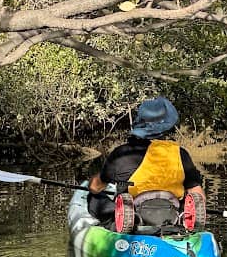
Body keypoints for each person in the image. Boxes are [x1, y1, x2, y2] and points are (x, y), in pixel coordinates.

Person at [87, 96, 206, 234]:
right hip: (170, 216)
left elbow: (95, 187)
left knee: (94, 197)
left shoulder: (122, 153)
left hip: (131, 219)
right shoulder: (180, 153)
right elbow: (198, 195)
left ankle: (113, 228)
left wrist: (94, 184)